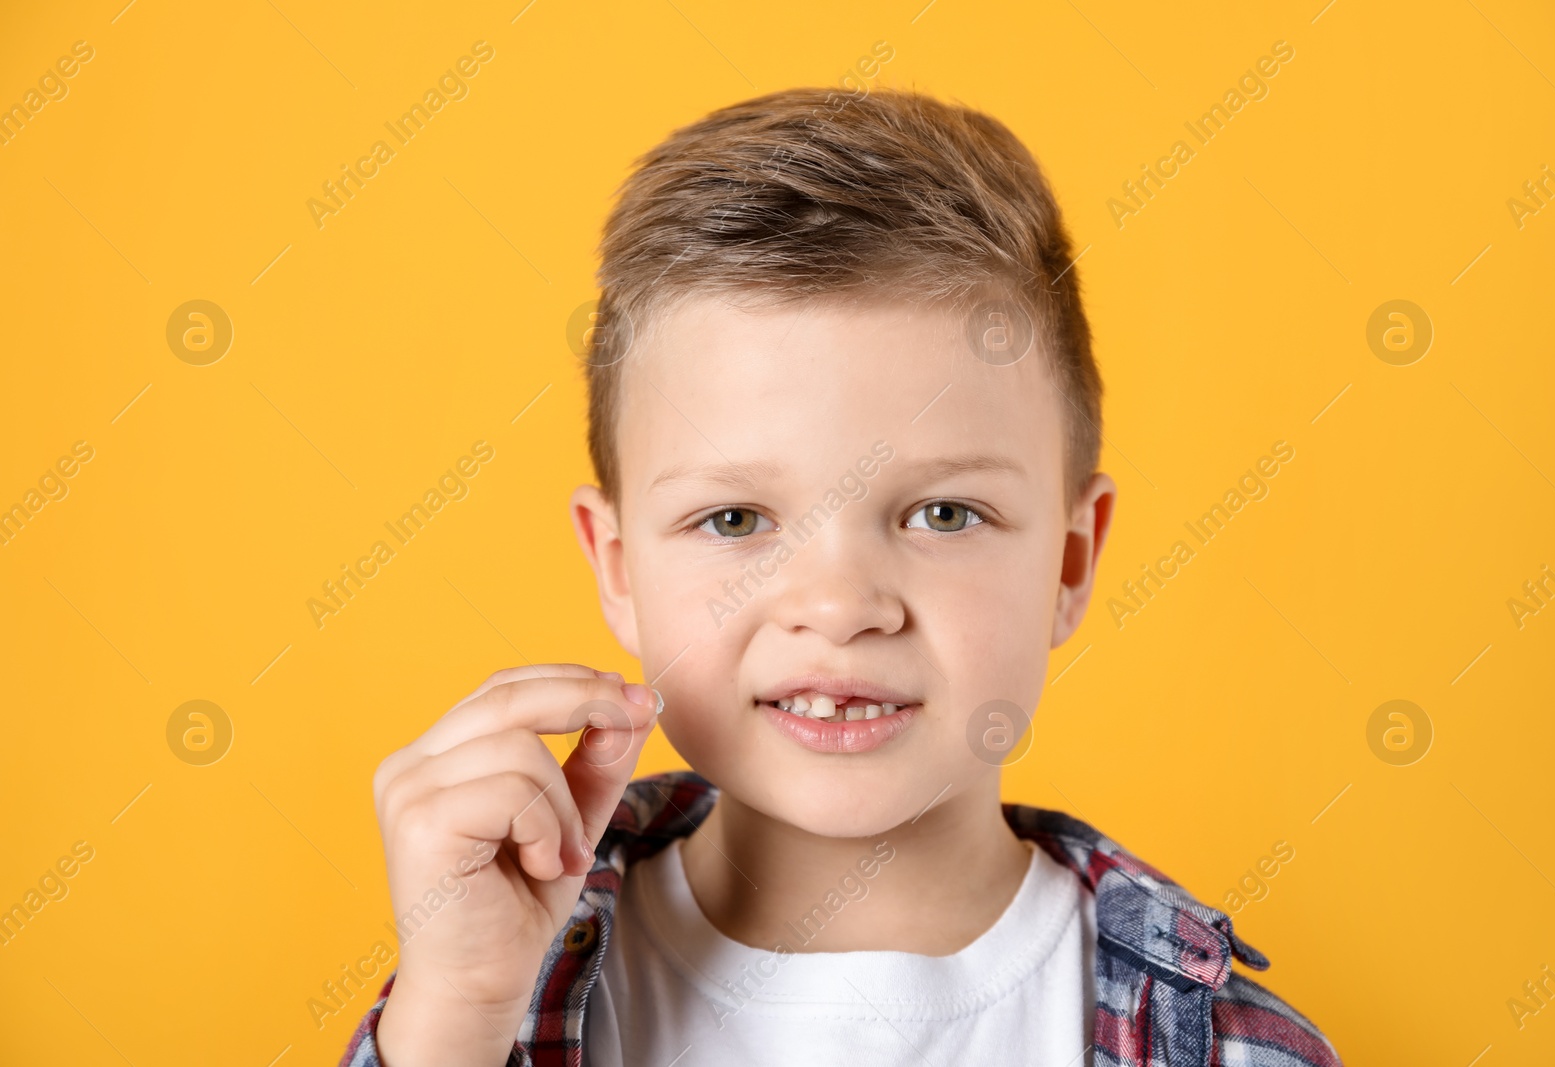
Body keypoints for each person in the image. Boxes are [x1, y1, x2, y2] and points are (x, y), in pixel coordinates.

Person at [339, 86, 1340, 1066]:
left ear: (1070, 561)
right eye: (733, 518)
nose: (838, 606)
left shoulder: (1224, 1044)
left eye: (943, 513)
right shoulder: (479, 1003)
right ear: (619, 567)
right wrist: (453, 1023)